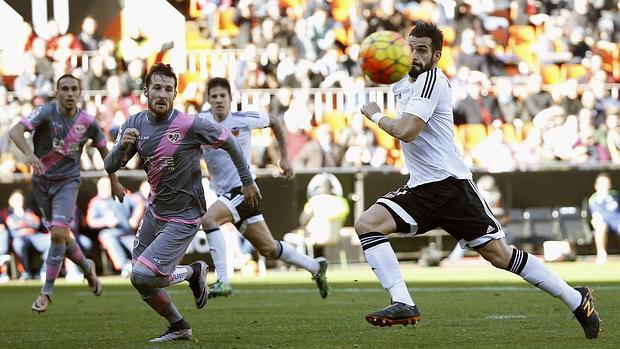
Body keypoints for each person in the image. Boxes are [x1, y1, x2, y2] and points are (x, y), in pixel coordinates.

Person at [356, 22, 600, 339]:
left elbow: (406, 130)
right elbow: (379, 68)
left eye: (422, 50)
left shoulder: (432, 82)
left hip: (451, 187)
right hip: (420, 188)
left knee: (500, 256)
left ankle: (576, 299)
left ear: (437, 56)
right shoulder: (404, 80)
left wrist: (375, 114)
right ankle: (403, 302)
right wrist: (372, 58)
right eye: (410, 48)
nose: (414, 56)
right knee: (367, 224)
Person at [104, 63, 261, 342]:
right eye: (157, 88)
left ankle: (193, 271)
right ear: (146, 92)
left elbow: (230, 143)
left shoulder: (189, 124)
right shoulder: (133, 124)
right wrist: (119, 147)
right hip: (156, 211)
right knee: (140, 281)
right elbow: (110, 164)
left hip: (185, 214)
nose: (162, 94)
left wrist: (247, 181)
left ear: (175, 94)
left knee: (142, 275)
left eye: (168, 89)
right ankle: (179, 325)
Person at [198, 77, 329, 299]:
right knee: (268, 248)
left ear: (231, 98)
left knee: (209, 220)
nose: (219, 100)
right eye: (214, 96)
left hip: (243, 189)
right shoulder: (200, 122)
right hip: (223, 193)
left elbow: (276, 121)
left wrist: (284, 158)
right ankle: (316, 267)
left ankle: (222, 280)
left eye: (223, 96)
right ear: (208, 100)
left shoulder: (243, 118)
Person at [9, 73, 125, 313]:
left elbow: (106, 154)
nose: (70, 93)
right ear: (57, 92)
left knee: (58, 234)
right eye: (65, 89)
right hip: (41, 183)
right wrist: (30, 155)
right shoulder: (45, 113)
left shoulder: (89, 122)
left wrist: (114, 181)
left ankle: (47, 292)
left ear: (80, 92)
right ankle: (87, 267)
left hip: (68, 183)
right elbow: (15, 132)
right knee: (60, 236)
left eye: (74, 89)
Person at [86, 177, 134, 276]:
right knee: (107, 237)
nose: (105, 189)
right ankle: (125, 266)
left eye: (107, 187)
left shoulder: (123, 194)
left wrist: (135, 219)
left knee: (137, 246)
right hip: (109, 233)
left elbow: (139, 202)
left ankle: (147, 268)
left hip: (127, 233)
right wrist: (105, 222)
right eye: (102, 187)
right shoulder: (95, 202)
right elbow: (90, 222)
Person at [3, 189, 49, 280]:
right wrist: (25, 224)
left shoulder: (30, 212)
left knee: (53, 241)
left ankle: (44, 270)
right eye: (16, 199)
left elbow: (37, 224)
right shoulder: (7, 213)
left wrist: (25, 223)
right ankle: (25, 272)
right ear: (10, 201)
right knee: (18, 243)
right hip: (18, 238)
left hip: (34, 237)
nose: (20, 201)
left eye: (21, 199)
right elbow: (12, 227)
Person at [588, 172, 620, 265]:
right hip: (603, 221)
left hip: (617, 221)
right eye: (602, 183)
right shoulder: (594, 198)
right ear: (596, 185)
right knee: (601, 227)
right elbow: (597, 215)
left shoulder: (615, 195)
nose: (605, 186)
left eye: (606, 183)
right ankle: (601, 254)